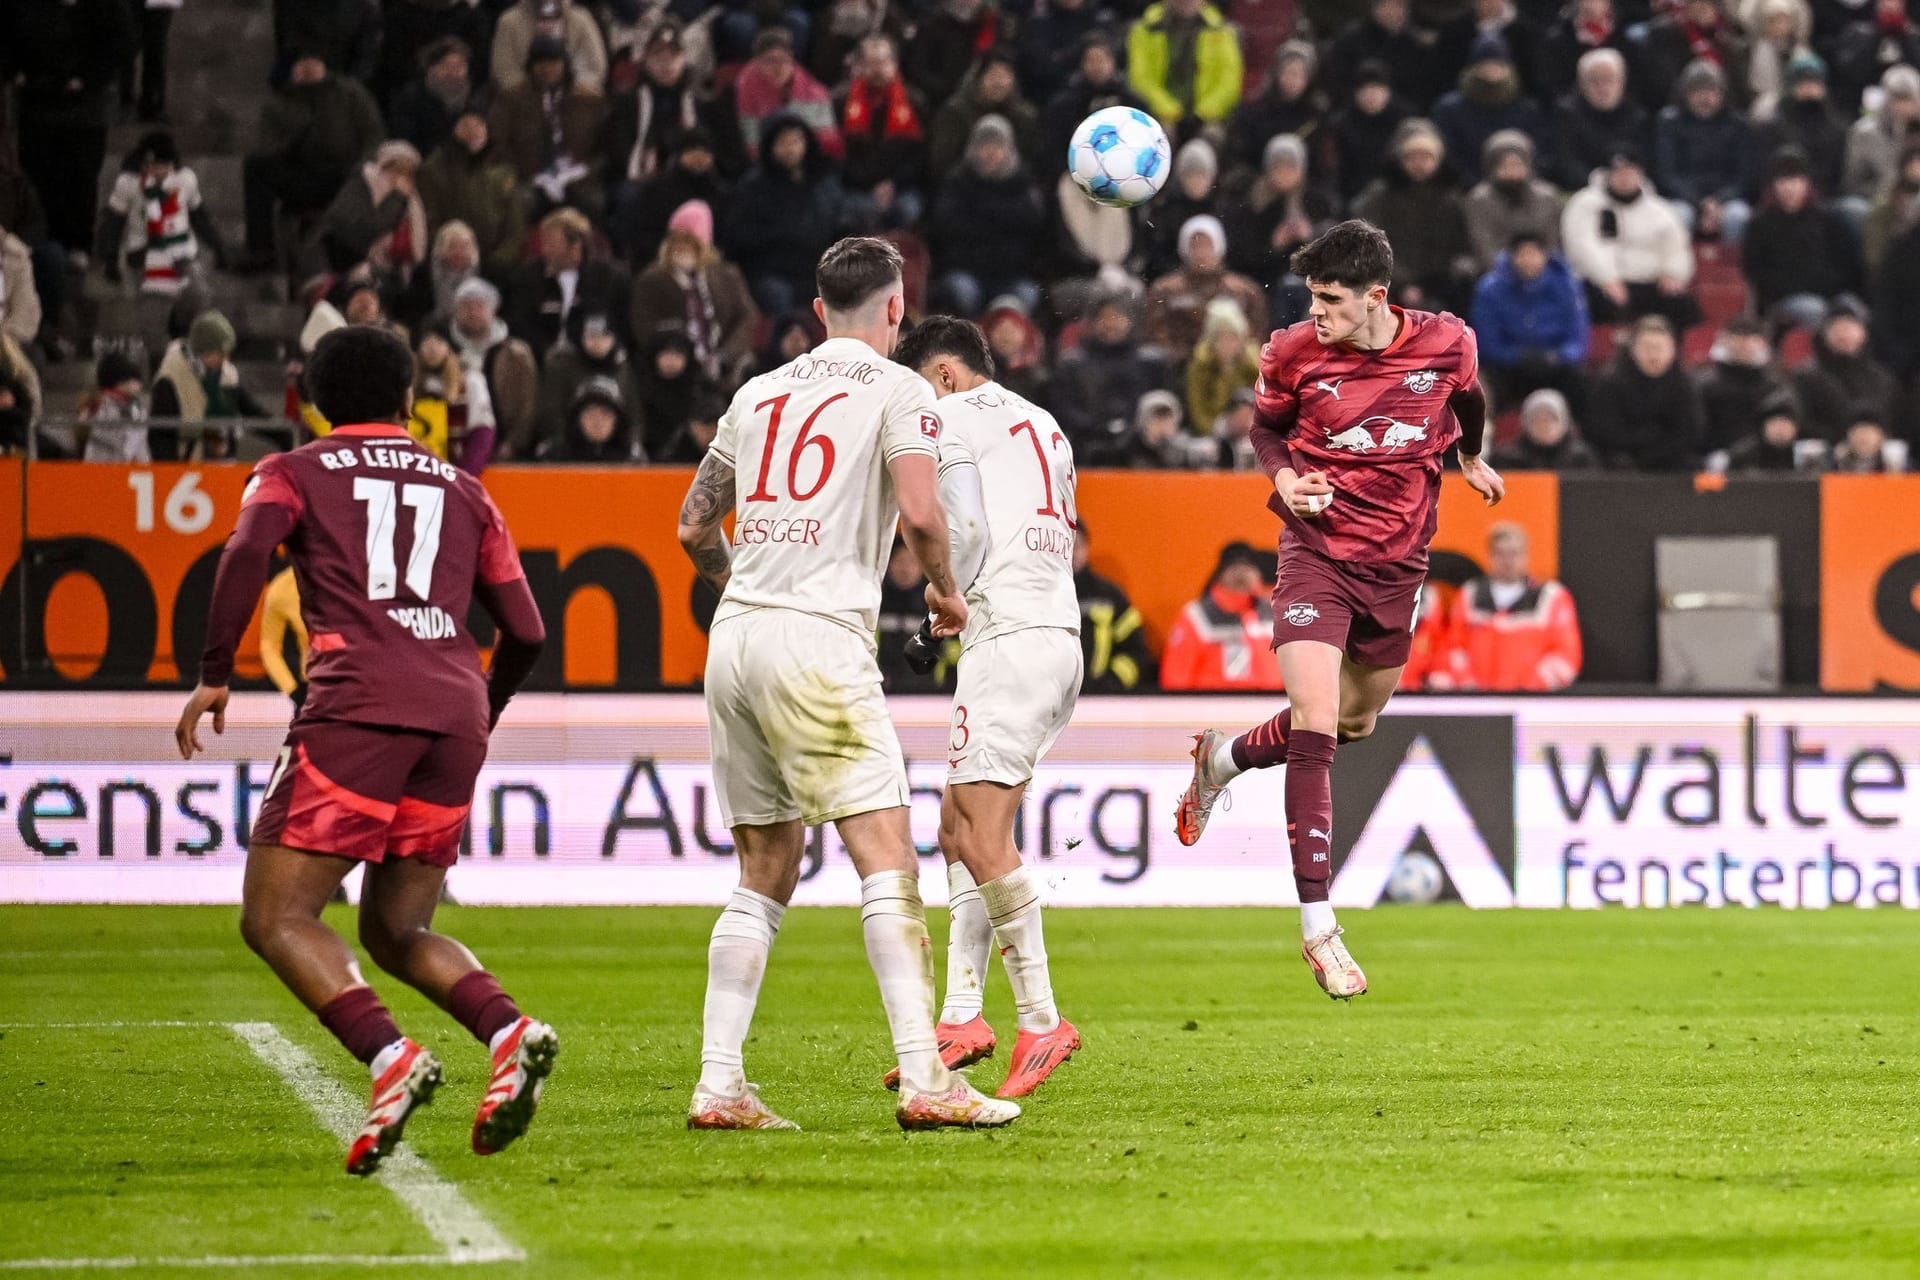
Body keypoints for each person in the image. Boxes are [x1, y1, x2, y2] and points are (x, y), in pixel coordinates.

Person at [173, 326, 555, 1176]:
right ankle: (509, 1030)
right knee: (397, 924)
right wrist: (481, 709)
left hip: (356, 706)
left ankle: (390, 1058)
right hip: (454, 714)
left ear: (312, 401)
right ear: (406, 399)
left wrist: (212, 671)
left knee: (276, 916)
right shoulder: (466, 489)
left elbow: (244, 551)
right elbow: (526, 629)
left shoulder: (293, 470)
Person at [674, 237, 1018, 1132]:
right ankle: (927, 1080)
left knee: (766, 866)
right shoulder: (902, 391)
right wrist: (943, 593)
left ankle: (719, 1084)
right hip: (819, 644)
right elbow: (918, 511)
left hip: (737, 636)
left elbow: (692, 524)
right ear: (897, 312)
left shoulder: (757, 393)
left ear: (819, 309)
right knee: (886, 861)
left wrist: (742, 584)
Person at [1173, 220, 1504, 999]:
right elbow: (1265, 428)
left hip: (1398, 565)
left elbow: (1470, 398)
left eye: (1329, 299)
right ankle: (1319, 924)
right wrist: (1286, 484)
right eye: (1311, 296)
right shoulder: (1291, 353)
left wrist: (1469, 455)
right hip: (1314, 551)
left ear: (1376, 298)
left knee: (1355, 723)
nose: (1314, 312)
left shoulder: (1448, 342)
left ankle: (1222, 760)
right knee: (1317, 719)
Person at [892, 316, 1084, 1098]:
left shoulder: (948, 416)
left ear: (940, 374)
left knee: (978, 833)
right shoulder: (1044, 423)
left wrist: (946, 591)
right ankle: (963, 1012)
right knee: (956, 826)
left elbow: (960, 521)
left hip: (1007, 637)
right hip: (1053, 635)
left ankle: (1041, 1021)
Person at [0, 0, 135, 261]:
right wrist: (14, 70)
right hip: (37, 102)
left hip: (85, 107)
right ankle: (42, 239)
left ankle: (77, 243)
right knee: (38, 174)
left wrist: (88, 78)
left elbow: (121, 44)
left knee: (80, 176)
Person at [241, 53, 387, 273]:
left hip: (346, 175)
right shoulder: (282, 101)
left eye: (313, 62)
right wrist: (298, 129)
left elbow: (374, 136)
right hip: (301, 176)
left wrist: (360, 169)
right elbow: (267, 148)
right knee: (255, 168)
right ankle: (261, 251)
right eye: (302, 63)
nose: (309, 68)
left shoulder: (350, 93)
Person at [1561, 147, 1702, 329]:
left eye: (1630, 172)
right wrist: (1607, 279)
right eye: (1619, 172)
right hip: (1601, 283)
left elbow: (1676, 247)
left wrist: (1674, 274)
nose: (1625, 178)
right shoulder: (1585, 204)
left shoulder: (1659, 209)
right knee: (1600, 304)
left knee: (1683, 305)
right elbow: (1582, 246)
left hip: (1648, 282)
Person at [722, 116, 848, 318]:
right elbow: (737, 238)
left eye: (795, 141)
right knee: (778, 296)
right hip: (771, 273)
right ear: (770, 146)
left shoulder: (822, 181)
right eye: (783, 143)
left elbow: (839, 220)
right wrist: (781, 235)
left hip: (817, 268)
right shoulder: (753, 187)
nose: (790, 149)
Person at [628, 200, 760, 386]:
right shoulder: (651, 281)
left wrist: (726, 355)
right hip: (673, 370)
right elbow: (644, 326)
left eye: (689, 241)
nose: (681, 247)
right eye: (675, 239)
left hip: (724, 367)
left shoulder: (726, 275)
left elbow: (747, 317)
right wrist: (677, 353)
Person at [1352, 121, 1477, 313]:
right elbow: (1368, 245)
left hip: (1441, 283)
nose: (1419, 164)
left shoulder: (1452, 198)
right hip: (1389, 281)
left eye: (1426, 157)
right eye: (1412, 158)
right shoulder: (1380, 196)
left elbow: (1463, 245)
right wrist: (1402, 283)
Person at [1440, 523, 1582, 691]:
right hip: (1478, 702)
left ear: (1525, 554)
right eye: (1501, 553)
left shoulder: (1552, 596)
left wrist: (1531, 688)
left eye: (1514, 553)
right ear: (1490, 555)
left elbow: (1567, 654)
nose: (1508, 560)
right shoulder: (1470, 594)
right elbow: (1453, 647)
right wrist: (1467, 685)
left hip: (1533, 702)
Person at [929, 116, 1046, 318]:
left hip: (1012, 275)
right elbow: (948, 224)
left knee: (1027, 295)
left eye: (997, 146)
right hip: (967, 272)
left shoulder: (1023, 181)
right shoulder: (958, 180)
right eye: (984, 145)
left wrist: (981, 211)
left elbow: (1032, 221)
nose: (991, 153)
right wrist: (1004, 219)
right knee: (962, 293)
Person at [489, 37, 611, 221]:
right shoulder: (510, 100)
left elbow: (607, 147)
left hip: (579, 179)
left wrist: (584, 171)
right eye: (541, 62)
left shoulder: (590, 100)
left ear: (565, 64)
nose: (547, 68)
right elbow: (497, 145)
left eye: (554, 62)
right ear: (531, 65)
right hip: (527, 180)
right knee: (521, 202)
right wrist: (528, 175)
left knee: (595, 203)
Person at [1742, 148, 1864, 330]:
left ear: (1807, 183)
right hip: (1785, 298)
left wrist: (1829, 287)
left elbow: (1846, 265)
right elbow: (1757, 273)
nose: (1790, 187)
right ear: (1774, 185)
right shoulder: (1759, 225)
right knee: (1815, 310)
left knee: (1854, 308)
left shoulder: (1828, 220)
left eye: (1796, 180)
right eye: (1783, 180)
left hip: (1831, 293)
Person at [98, 131, 225, 299]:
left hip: (179, 252)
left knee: (198, 292)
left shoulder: (185, 180)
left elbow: (199, 217)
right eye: (150, 165)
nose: (155, 171)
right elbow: (114, 223)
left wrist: (218, 247)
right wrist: (110, 258)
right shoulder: (128, 183)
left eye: (161, 165)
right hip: (141, 252)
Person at [1471, 232, 1590, 410]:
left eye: (1534, 254)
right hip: (1508, 366)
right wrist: (1518, 357)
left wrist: (1557, 357)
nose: (1529, 260)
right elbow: (1486, 340)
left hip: (1555, 363)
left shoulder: (1567, 286)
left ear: (1545, 256)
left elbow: (1578, 337)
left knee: (1580, 380)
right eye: (1523, 254)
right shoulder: (1490, 290)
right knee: (1482, 387)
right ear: (1512, 257)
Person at [1052, 293, 1177, 459]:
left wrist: (1138, 429)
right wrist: (1095, 428)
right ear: (1093, 323)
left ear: (1130, 321)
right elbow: (1063, 406)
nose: (1111, 324)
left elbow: (1163, 403)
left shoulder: (1150, 363)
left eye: (1117, 317)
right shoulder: (1073, 364)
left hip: (1142, 448)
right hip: (1086, 445)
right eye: (1105, 317)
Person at [1652, 60, 1758, 247]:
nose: (1705, 98)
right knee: (1678, 216)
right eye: (1698, 92)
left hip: (1727, 199)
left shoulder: (1738, 125)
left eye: (1711, 92)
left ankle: (1731, 275)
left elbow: (1745, 175)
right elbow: (1666, 174)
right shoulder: (1668, 123)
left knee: (1738, 216)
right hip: (1683, 198)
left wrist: (1719, 201)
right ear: (1685, 94)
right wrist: (1700, 202)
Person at [1142, 215, 1268, 366]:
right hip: (1178, 367)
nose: (1201, 253)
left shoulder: (1244, 291)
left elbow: (1256, 335)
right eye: (1195, 246)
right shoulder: (1165, 290)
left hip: (1232, 366)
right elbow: (1156, 334)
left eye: (1207, 246)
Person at [417, 110, 528, 281]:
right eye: (466, 125)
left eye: (479, 125)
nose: (473, 131)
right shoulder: (433, 170)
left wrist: (500, 259)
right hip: (449, 262)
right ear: (453, 130)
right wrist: (453, 253)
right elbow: (428, 221)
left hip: (496, 264)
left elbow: (515, 227)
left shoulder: (503, 169)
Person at [506, 208, 629, 361]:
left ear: (575, 245)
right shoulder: (530, 275)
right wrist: (546, 351)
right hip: (541, 358)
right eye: (544, 243)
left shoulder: (608, 277)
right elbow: (520, 323)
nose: (545, 250)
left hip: (592, 359)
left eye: (552, 244)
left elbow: (616, 322)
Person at [835, 35, 930, 232]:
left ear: (895, 64)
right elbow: (838, 154)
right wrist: (870, 184)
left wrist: (893, 183)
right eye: (871, 63)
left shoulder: (915, 101)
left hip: (901, 187)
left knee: (909, 211)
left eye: (884, 62)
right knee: (853, 212)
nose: (878, 69)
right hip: (857, 187)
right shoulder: (841, 101)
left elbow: (920, 154)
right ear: (859, 66)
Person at [1585, 315, 1705, 469]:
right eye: (1647, 347)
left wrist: (1656, 452)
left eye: (1660, 348)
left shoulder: (1685, 384)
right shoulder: (1610, 382)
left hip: (1670, 457)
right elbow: (1604, 431)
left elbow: (1691, 432)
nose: (1654, 355)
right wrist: (1645, 439)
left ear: (1673, 350)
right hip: (1623, 456)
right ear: (1633, 349)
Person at [1430, 35, 1551, 186]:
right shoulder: (1449, 109)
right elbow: (1449, 154)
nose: (1492, 69)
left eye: (1498, 63)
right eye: (1485, 63)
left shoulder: (1527, 109)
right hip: (1465, 187)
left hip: (1521, 186)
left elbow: (1540, 152)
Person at [150, 310, 271, 461]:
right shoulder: (170, 380)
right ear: (203, 352)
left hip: (221, 467)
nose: (225, 359)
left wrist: (285, 435)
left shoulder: (226, 374)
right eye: (220, 353)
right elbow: (160, 435)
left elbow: (251, 410)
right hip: (185, 472)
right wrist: (170, 476)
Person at [1161, 543, 1283, 690]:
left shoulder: (1274, 612)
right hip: (1214, 709)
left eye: (1247, 567)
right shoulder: (1197, 616)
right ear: (1220, 573)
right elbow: (1176, 679)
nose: (1241, 574)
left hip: (1273, 706)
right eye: (1234, 568)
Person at [1126, 0, 1244, 138]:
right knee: (1160, 135)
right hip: (1157, 115)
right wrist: (1169, 111)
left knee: (1208, 141)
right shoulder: (1144, 30)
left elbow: (1229, 81)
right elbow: (1140, 78)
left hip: (1208, 117)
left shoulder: (1222, 31)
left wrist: (1204, 113)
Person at [1793, 295, 1898, 439]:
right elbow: (1802, 422)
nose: (1843, 335)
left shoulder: (1882, 378)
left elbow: (1892, 422)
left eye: (1849, 327)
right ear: (1824, 334)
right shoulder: (1806, 376)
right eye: (1836, 328)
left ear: (1864, 333)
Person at [735, 28, 842, 161]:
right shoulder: (746, 87)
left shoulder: (814, 93)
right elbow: (752, 143)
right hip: (769, 162)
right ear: (757, 63)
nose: (779, 68)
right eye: (770, 61)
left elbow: (828, 140)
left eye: (784, 60)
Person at [1550, 47, 1648, 194]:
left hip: (1629, 188)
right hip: (1580, 190)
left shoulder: (1636, 115)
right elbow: (1565, 161)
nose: (1603, 88)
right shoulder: (1566, 113)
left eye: (1609, 79)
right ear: (1582, 84)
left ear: (1621, 82)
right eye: (1595, 81)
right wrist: (1597, 182)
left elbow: (1644, 159)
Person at [1072, 521, 1155, 693]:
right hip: (1049, 702)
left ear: (1087, 548)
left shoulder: (1109, 596)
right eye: (1066, 544)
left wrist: (1111, 685)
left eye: (1077, 545)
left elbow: (1136, 652)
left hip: (1100, 704)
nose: (1071, 552)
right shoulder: (1037, 593)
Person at [1223, 41, 1325, 179]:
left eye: (1300, 75)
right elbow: (1238, 156)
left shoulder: (1316, 116)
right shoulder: (1253, 111)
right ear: (1277, 74)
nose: (1293, 81)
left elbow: (1321, 166)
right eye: (1289, 73)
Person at [538, 310, 643, 443]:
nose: (597, 343)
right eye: (591, 336)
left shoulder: (623, 367)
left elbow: (634, 413)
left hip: (616, 449)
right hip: (571, 447)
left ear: (614, 339)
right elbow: (551, 411)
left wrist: (631, 443)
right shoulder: (563, 366)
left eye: (603, 337)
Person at [1463, 131, 1561, 273]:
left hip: (1543, 271)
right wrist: (1514, 272)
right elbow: (1483, 246)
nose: (1512, 172)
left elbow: (1553, 243)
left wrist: (1538, 268)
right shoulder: (1479, 200)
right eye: (1505, 166)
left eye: (1517, 165)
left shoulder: (1547, 197)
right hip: (1497, 274)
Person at [1694, 315, 1792, 454]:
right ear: (1724, 340)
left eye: (1749, 338)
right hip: (1716, 456)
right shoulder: (1705, 384)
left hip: (1764, 460)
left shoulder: (1775, 384)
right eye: (1738, 337)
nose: (1743, 344)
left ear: (1761, 342)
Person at [1325, 61, 1412, 206]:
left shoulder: (1404, 122)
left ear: (1388, 92)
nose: (1371, 95)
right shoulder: (1341, 124)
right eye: (1365, 89)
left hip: (1398, 194)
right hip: (1353, 196)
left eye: (1377, 89)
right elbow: (1336, 172)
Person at [491, 0, 610, 95]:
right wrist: (531, 92)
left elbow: (595, 67)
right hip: (523, 100)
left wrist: (576, 87)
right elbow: (504, 70)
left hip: (574, 96)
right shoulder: (508, 22)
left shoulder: (581, 19)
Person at [387, 37, 479, 157]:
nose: (453, 72)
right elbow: (403, 140)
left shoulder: (474, 101)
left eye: (460, 66)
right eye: (447, 65)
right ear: (431, 67)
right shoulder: (411, 98)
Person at [1187, 297, 1261, 432]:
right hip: (1211, 434)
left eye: (1232, 337)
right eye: (1221, 338)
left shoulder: (1255, 366)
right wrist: (1218, 430)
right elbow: (1198, 411)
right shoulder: (1199, 367)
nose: (1227, 344)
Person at [543, 373, 647, 461]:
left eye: (605, 414)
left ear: (617, 420)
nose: (598, 421)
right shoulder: (553, 457)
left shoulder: (633, 459)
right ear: (577, 418)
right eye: (590, 413)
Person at [1489, 387, 1600, 470]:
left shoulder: (1581, 459)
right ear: (1526, 424)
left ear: (1564, 423)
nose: (1544, 426)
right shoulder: (1508, 458)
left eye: (1551, 419)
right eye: (1537, 419)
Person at [1723, 391, 1823, 471]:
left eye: (1785, 423)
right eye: (1774, 423)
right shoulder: (1743, 456)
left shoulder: (1809, 455)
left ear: (1796, 427)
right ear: (1763, 426)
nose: (1780, 429)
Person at [80, 350, 150, 463]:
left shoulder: (135, 405)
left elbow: (138, 438)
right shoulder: (101, 405)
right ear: (120, 382)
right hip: (105, 467)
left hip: (134, 471)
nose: (139, 385)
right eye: (134, 380)